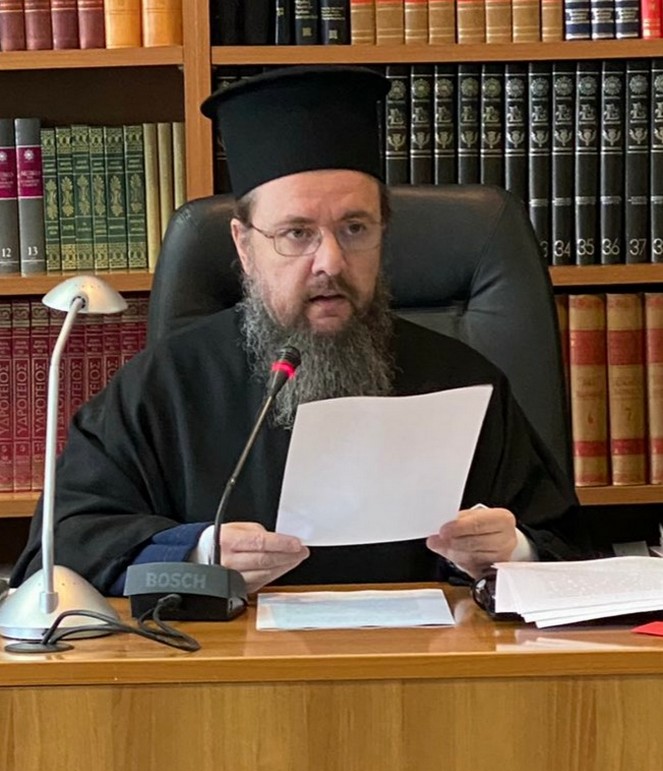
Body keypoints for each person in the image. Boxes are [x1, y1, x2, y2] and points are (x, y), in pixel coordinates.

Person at [12, 67, 590, 597]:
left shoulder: (461, 379)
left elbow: (575, 552)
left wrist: (512, 551)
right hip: (225, 672)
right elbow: (55, 555)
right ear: (244, 246)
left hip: (426, 668)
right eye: (296, 233)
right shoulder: (166, 385)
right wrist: (199, 553)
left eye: (355, 228)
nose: (331, 262)